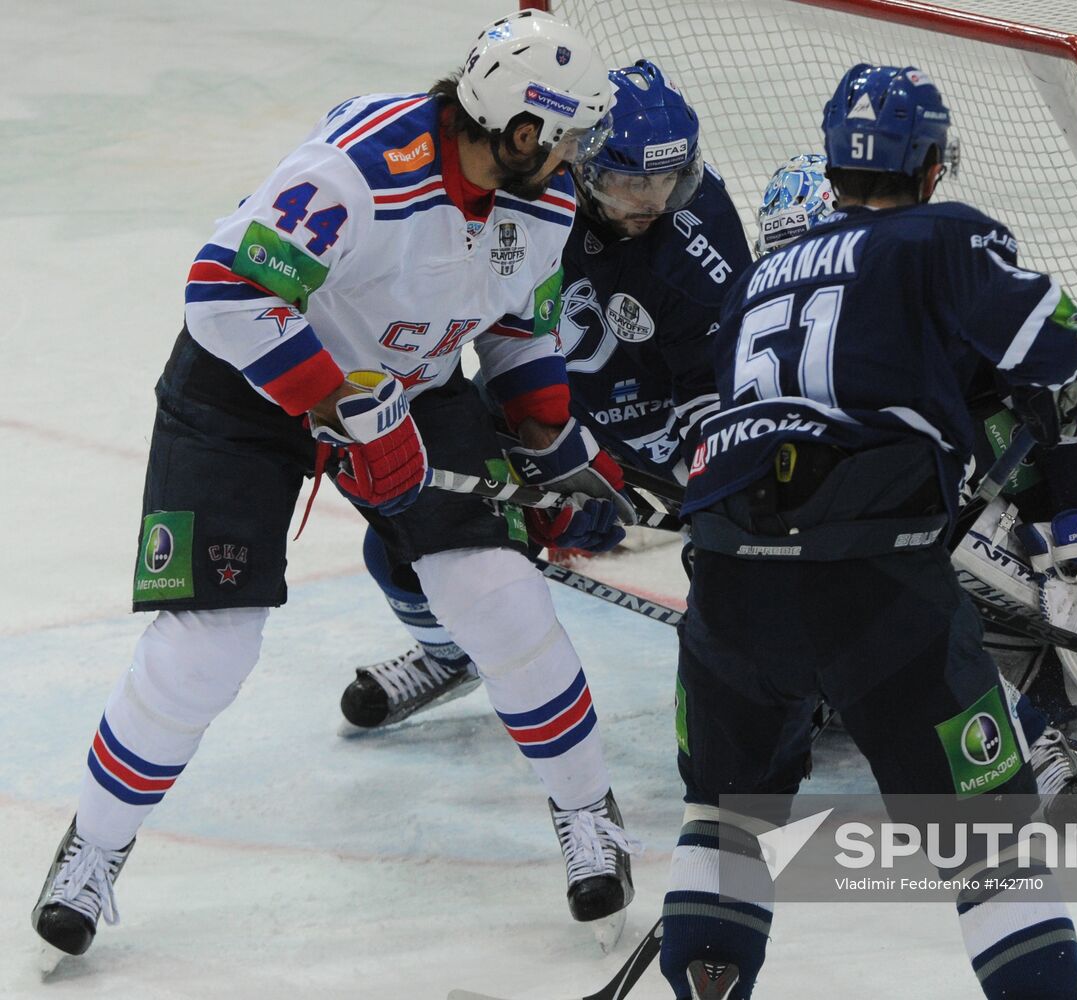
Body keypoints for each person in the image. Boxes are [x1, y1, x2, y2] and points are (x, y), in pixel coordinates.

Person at [31, 10, 641, 958]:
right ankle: (94, 850)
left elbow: (516, 327)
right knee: (210, 643)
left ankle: (587, 814)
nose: (572, 157)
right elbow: (226, 288)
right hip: (246, 386)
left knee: (498, 592)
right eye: (562, 137)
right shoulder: (361, 169)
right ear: (520, 130)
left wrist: (545, 428)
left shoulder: (544, 203)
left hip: (412, 386)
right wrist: (341, 406)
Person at [659, 65, 1077, 999]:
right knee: (992, 850)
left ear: (830, 168)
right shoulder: (944, 234)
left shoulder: (757, 276)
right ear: (934, 164)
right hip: (875, 581)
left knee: (724, 818)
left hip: (728, 575)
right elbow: (1057, 351)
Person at [337, 59, 751, 732]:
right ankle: (448, 657)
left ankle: (778, 678)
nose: (651, 201)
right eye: (628, 182)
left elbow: (712, 380)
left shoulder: (695, 227)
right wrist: (546, 451)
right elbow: (482, 328)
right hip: (544, 408)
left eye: (667, 181)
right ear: (582, 165)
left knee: (741, 543)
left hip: (666, 426)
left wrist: (714, 480)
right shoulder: (521, 201)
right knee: (405, 525)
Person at [754, 154, 1077, 811]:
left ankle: (1044, 722)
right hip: (918, 561)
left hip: (1016, 540)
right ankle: (1025, 727)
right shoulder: (776, 349)